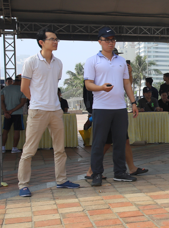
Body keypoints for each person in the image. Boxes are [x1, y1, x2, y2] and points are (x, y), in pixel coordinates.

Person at [17, 28, 80, 197]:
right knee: (29, 150)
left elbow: (53, 85)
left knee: (60, 149)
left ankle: (61, 180)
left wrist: (50, 103)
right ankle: (23, 184)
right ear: (41, 42)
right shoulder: (31, 62)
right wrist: (37, 101)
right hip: (38, 111)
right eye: (52, 39)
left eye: (57, 39)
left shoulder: (58, 63)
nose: (56, 42)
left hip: (55, 111)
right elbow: (24, 88)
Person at [84, 26, 139, 186]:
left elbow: (126, 82)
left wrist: (133, 102)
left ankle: (120, 172)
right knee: (99, 142)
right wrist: (101, 87)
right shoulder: (92, 61)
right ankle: (96, 174)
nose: (110, 42)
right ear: (100, 41)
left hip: (120, 108)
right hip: (101, 107)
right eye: (107, 40)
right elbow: (88, 84)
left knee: (120, 141)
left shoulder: (121, 61)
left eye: (113, 39)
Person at [1, 75, 27, 154]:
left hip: (7, 113)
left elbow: (1, 101)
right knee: (16, 131)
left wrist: (6, 111)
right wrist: (12, 111)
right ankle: (14, 148)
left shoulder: (5, 89)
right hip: (17, 113)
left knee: (5, 130)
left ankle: (2, 147)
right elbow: (22, 103)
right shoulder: (22, 90)